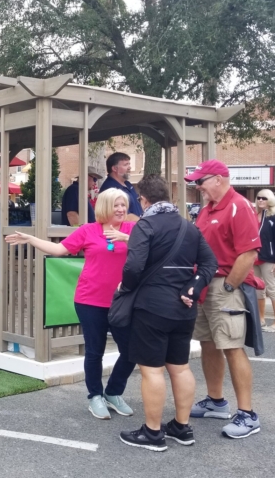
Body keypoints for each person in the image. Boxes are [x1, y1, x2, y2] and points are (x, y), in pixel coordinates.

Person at [6, 189, 136, 420]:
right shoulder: (88, 230)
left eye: (123, 205)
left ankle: (113, 393)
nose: (121, 209)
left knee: (131, 350)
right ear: (105, 206)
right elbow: (59, 250)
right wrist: (31, 239)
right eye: (116, 205)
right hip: (90, 300)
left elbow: (156, 247)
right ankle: (95, 396)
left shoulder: (133, 229)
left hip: (123, 301)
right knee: (94, 351)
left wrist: (127, 239)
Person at [117, 175, 217, 452]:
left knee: (152, 370)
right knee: (180, 367)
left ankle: (152, 433)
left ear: (143, 200)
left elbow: (134, 266)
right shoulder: (189, 227)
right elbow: (210, 263)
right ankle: (181, 427)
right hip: (184, 308)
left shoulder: (145, 224)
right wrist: (193, 287)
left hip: (152, 307)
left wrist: (125, 287)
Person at [185, 159, 262, 439]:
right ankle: (216, 401)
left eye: (200, 181)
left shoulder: (238, 205)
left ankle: (247, 414)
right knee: (209, 343)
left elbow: (249, 253)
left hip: (224, 285)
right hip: (207, 284)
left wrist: (229, 286)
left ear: (217, 179)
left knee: (231, 346)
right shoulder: (208, 208)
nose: (198, 187)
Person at [254, 189, 275, 332]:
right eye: (259, 197)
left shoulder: (273, 217)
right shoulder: (253, 215)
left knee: (272, 289)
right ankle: (261, 319)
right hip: (254, 258)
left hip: (269, 258)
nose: (261, 200)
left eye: (264, 198)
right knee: (258, 290)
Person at [100, 153, 143, 221]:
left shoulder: (128, 184)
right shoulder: (110, 189)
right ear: (114, 168)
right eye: (125, 165)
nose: (129, 167)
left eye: (129, 164)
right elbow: (123, 216)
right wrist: (144, 224)